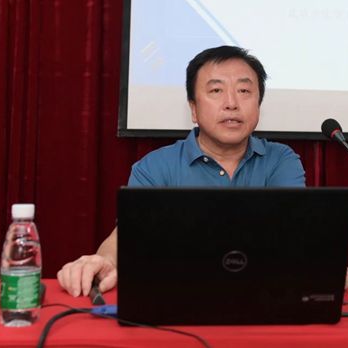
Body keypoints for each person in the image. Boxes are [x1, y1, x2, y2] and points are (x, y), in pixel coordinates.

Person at [57, 46, 306, 297]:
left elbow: (292, 235)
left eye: (244, 91)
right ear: (193, 109)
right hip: (178, 297)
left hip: (262, 296)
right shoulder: (155, 167)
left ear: (259, 105)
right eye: (216, 90)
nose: (231, 103)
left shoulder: (281, 161)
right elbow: (127, 235)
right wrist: (106, 261)